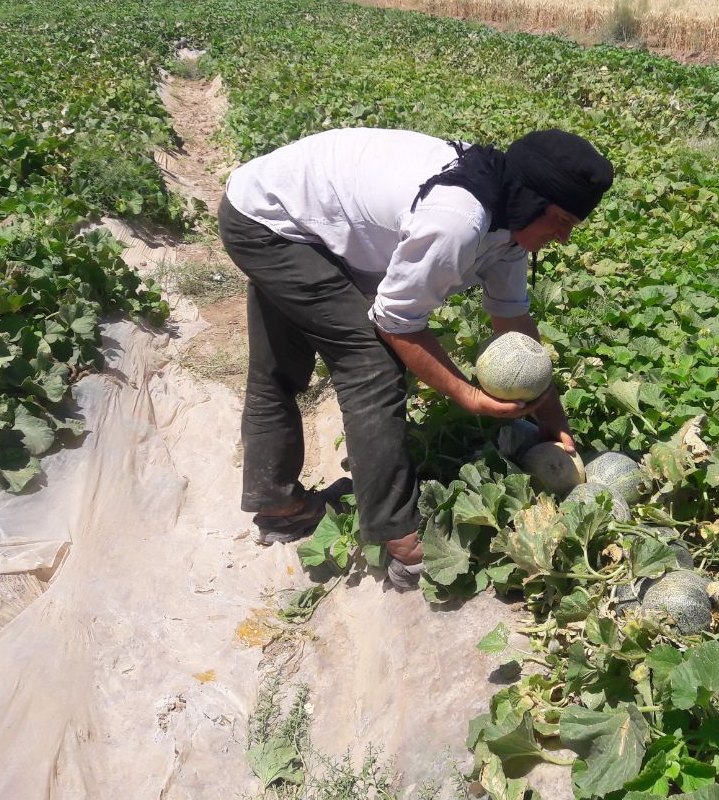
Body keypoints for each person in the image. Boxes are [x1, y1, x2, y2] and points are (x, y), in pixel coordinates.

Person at [218, 126, 614, 589]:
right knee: (370, 363)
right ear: (533, 200)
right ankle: (396, 536)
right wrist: (469, 397)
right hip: (268, 223)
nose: (564, 238)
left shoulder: (509, 225)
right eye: (562, 221)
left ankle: (276, 502)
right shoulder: (457, 219)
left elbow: (514, 325)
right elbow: (395, 324)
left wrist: (551, 416)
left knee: (280, 361)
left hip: (294, 208)